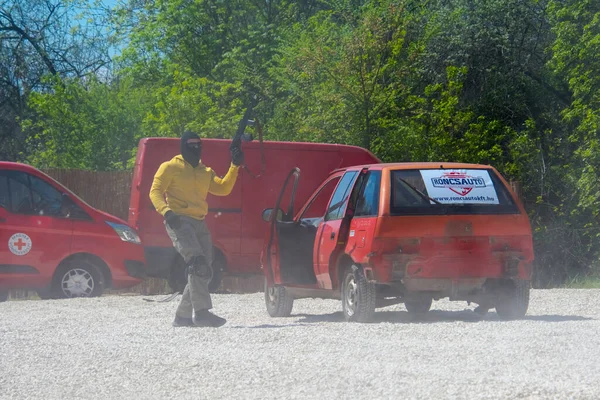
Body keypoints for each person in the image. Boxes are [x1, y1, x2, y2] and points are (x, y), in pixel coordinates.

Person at [149, 130, 244, 327]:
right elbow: (155, 192)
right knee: (197, 263)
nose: (195, 148)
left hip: (200, 222)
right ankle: (202, 313)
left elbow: (223, 188)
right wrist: (167, 212)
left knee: (203, 269)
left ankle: (182, 317)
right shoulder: (170, 167)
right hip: (179, 221)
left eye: (198, 144)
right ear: (183, 146)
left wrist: (235, 165)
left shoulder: (205, 172)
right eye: (191, 144)